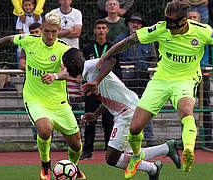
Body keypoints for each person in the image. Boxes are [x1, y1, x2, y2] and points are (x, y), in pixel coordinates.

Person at [83, 0, 213, 178]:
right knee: (134, 128)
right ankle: (137, 156)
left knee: (186, 111)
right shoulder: (161, 28)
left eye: (173, 25)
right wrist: (104, 56)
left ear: (184, 21)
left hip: (185, 80)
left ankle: (188, 149)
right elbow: (129, 41)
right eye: (167, 23)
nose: (169, 28)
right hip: (160, 81)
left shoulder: (203, 31)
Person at [0, 12, 86, 180]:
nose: (49, 35)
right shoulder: (29, 41)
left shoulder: (64, 49)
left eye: (53, 32)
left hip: (59, 103)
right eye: (46, 31)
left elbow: (68, 71)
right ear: (41, 29)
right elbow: (8, 38)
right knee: (45, 129)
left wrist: (55, 76)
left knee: (76, 145)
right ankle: (46, 164)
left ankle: (73, 168)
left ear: (59, 30)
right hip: (35, 99)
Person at [63, 47, 181, 180]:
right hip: (125, 110)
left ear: (73, 61)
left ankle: (154, 166)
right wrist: (96, 114)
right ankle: (162, 154)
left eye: (67, 66)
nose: (67, 70)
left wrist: (96, 81)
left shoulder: (90, 65)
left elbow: (111, 60)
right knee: (128, 154)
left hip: (127, 111)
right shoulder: (88, 74)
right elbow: (110, 97)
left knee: (112, 158)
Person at [116, 12, 157, 146]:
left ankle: (149, 140)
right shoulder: (120, 39)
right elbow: (116, 59)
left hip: (143, 79)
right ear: (128, 24)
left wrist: (143, 68)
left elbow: (153, 60)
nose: (135, 25)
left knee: (146, 108)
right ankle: (124, 140)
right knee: (125, 110)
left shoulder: (148, 40)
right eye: (133, 22)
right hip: (125, 80)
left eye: (138, 23)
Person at [80, 19, 116, 160]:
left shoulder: (113, 47)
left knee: (108, 121)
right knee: (90, 119)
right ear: (95, 31)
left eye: (103, 28)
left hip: (108, 89)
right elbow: (83, 68)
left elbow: (117, 67)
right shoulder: (88, 47)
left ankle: (110, 150)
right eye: (99, 28)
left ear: (107, 31)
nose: (101, 31)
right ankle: (88, 151)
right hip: (92, 89)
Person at [19, 22, 57, 149]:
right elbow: (22, 64)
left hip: (50, 86)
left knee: (52, 111)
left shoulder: (55, 45)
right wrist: (35, 67)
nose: (35, 35)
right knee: (36, 113)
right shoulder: (28, 46)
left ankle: (53, 140)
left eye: (37, 32)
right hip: (33, 85)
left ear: (42, 31)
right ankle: (38, 139)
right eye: (32, 33)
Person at [187, 9, 213, 147]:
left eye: (195, 17)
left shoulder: (205, 32)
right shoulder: (183, 33)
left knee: (205, 104)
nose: (192, 19)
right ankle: (186, 136)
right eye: (190, 17)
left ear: (199, 19)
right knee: (186, 105)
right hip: (187, 75)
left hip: (203, 73)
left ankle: (208, 138)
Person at [51, 0, 83, 123]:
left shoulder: (77, 13)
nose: (65, 1)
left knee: (74, 95)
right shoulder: (53, 13)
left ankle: (75, 125)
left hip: (73, 56)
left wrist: (59, 33)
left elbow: (77, 32)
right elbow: (50, 34)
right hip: (56, 53)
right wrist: (69, 31)